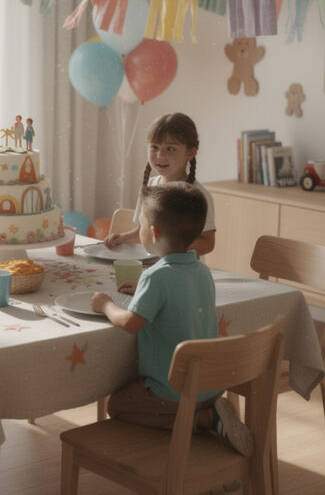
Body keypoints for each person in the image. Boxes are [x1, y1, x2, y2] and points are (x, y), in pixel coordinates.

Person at [90, 182, 252, 457]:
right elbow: (174, 295)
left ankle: (206, 420)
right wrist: (143, 288)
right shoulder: (201, 270)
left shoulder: (156, 277)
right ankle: (207, 433)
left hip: (171, 392)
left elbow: (130, 323)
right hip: (207, 385)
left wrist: (104, 304)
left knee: (116, 406)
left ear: (153, 232)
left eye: (141, 223)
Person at [104, 113, 216, 257]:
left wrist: (170, 248)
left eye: (170, 149)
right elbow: (145, 233)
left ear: (191, 152)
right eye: (154, 147)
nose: (160, 155)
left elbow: (208, 243)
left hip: (182, 270)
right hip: (152, 264)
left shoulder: (197, 194)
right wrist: (123, 238)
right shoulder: (149, 186)